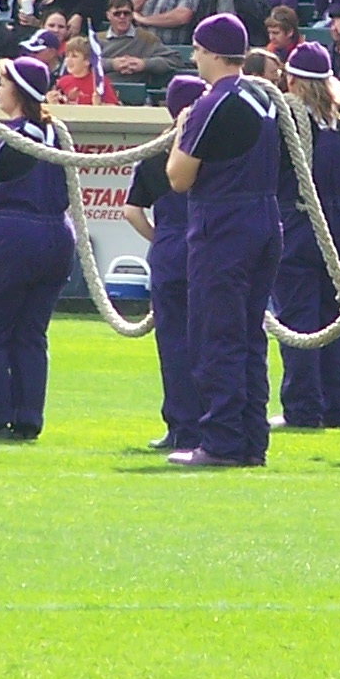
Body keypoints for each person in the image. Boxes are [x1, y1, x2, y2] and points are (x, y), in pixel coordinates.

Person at [163, 15, 282, 468]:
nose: (194, 58)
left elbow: (178, 177)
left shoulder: (211, 103)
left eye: (197, 50)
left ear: (212, 53)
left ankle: (221, 441)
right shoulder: (264, 98)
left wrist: (182, 129)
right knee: (250, 336)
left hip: (224, 222)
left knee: (217, 336)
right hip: (265, 217)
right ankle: (251, 440)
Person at [0, 53, 73, 442]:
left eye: (2, 82)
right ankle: (27, 418)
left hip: (10, 235)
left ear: (18, 91)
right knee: (30, 331)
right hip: (57, 235)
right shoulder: (58, 134)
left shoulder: (6, 134)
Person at [276, 42, 340, 433]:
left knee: (298, 320)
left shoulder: (287, 114)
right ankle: (337, 406)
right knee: (336, 320)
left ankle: (302, 408)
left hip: (300, 222)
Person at [125, 75, 205, 453]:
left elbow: (131, 211)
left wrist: (159, 239)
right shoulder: (209, 149)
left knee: (173, 343)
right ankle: (214, 420)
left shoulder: (155, 152)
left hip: (171, 247)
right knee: (214, 339)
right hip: (209, 241)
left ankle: (180, 425)